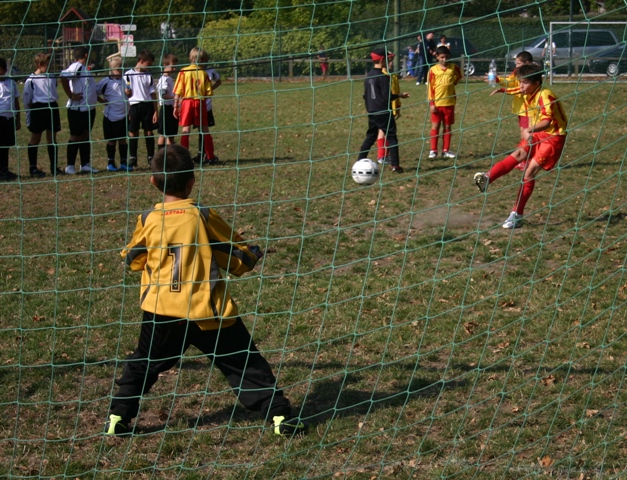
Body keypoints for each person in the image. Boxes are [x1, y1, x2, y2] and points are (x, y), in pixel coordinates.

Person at [104, 144, 307, 438]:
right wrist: (252, 254)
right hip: (207, 311)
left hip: (162, 311)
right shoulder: (202, 215)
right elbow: (237, 260)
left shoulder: (148, 219)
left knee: (144, 363)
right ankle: (280, 417)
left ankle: (116, 418)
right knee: (246, 364)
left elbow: (133, 259)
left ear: (153, 182)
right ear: (192, 181)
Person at [474, 63, 568, 229]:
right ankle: (488, 178)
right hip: (538, 133)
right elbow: (516, 93)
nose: (520, 86)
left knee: (529, 172)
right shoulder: (527, 92)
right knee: (518, 155)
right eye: (520, 81)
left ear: (536, 83)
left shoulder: (545, 95)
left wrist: (529, 129)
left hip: (553, 136)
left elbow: (547, 121)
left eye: (524, 82)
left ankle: (517, 215)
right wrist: (502, 90)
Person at [357, 47, 409, 174]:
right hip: (384, 112)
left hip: (372, 112)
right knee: (392, 138)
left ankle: (359, 162)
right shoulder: (383, 76)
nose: (389, 60)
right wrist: (400, 95)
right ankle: (395, 166)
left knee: (370, 137)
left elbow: (365, 95)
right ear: (382, 59)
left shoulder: (368, 76)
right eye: (388, 58)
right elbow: (387, 96)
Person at [173, 47, 218, 165]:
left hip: (187, 102)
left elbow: (178, 91)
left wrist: (175, 106)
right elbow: (208, 92)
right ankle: (210, 157)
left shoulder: (183, 71)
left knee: (185, 129)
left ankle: (184, 159)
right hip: (200, 102)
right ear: (203, 60)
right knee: (204, 129)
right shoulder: (203, 73)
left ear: (190, 58)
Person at [60, 46, 98, 175]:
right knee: (75, 136)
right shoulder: (76, 66)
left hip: (89, 109)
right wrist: (71, 95)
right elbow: (63, 77)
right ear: (86, 55)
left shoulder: (85, 69)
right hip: (77, 109)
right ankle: (70, 166)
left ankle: (85, 164)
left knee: (85, 136)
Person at [22, 52, 61, 177]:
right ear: (39, 64)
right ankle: (33, 168)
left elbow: (54, 89)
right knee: (36, 138)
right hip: (38, 108)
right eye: (46, 64)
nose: (49, 66)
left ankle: (54, 167)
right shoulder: (31, 80)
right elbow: (26, 99)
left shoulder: (52, 77)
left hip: (52, 107)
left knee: (52, 138)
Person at [488, 51, 534, 140]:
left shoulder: (531, 75)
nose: (516, 66)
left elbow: (521, 90)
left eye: (519, 63)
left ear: (527, 63)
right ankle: (525, 151)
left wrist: (503, 90)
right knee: (524, 132)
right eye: (516, 63)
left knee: (526, 133)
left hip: (529, 109)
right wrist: (498, 80)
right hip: (521, 108)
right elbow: (510, 82)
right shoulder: (517, 72)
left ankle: (526, 151)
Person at [427, 45, 462, 159]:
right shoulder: (433, 70)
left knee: (447, 127)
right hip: (437, 104)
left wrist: (452, 83)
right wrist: (432, 103)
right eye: (442, 57)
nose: (444, 59)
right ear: (437, 57)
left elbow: (459, 76)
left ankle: (446, 150)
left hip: (449, 103)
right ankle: (433, 150)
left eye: (446, 57)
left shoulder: (453, 67)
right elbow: (430, 88)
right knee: (435, 126)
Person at [125, 49, 157, 168]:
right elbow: (127, 91)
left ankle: (151, 158)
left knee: (149, 132)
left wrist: (155, 111)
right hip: (134, 106)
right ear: (142, 61)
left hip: (147, 105)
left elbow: (153, 94)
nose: (149, 67)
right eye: (148, 64)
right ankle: (133, 158)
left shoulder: (148, 75)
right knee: (133, 132)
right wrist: (127, 92)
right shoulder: (128, 74)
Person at [96, 56, 129, 172]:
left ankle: (124, 163)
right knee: (112, 141)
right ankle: (110, 163)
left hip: (124, 115)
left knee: (123, 140)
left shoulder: (125, 80)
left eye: (122, 69)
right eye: (119, 69)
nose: (121, 71)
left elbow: (129, 94)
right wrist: (101, 101)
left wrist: (129, 92)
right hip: (111, 117)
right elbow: (94, 92)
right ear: (112, 69)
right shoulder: (106, 81)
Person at [193, 61, 222, 164]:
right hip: (195, 104)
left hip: (207, 105)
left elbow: (219, 81)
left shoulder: (211, 72)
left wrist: (210, 89)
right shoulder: (193, 70)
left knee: (204, 129)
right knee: (201, 129)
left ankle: (205, 155)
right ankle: (203, 155)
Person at [0, 57, 21, 182]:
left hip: (9, 118)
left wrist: (18, 119)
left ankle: (4, 170)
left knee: (6, 145)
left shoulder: (11, 82)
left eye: (2, 71)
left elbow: (16, 100)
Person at [156, 53, 178, 151]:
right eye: (172, 67)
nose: (174, 69)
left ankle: (170, 154)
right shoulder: (163, 79)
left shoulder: (170, 79)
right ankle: (161, 154)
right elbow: (163, 95)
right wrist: (175, 98)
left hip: (171, 108)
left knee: (171, 133)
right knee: (163, 134)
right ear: (165, 65)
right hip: (165, 108)